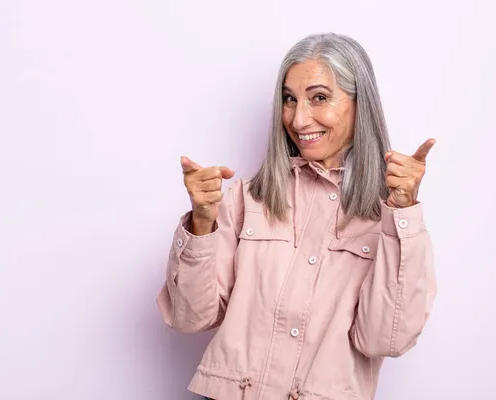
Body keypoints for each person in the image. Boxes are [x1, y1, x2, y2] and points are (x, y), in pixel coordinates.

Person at [157, 32, 437, 400]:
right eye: (289, 100)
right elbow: (188, 318)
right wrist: (202, 222)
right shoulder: (247, 198)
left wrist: (402, 215)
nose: (299, 119)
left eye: (319, 98)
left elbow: (383, 338)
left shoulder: (389, 217)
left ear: (360, 104)